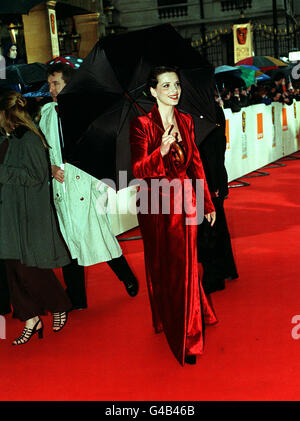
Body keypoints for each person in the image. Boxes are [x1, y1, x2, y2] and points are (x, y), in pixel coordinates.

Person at [130, 66, 217, 365]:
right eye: (166, 86)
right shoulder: (141, 125)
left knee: (186, 263)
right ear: (153, 92)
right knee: (160, 263)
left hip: (185, 201)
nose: (174, 90)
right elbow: (138, 171)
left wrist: (207, 203)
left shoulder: (187, 120)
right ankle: (164, 317)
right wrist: (161, 151)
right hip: (154, 204)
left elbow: (197, 165)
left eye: (176, 84)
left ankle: (189, 337)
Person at [40, 62, 139, 310]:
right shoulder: (46, 115)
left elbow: (103, 146)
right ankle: (76, 297)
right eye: (50, 83)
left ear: (69, 84)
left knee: (100, 236)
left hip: (86, 184)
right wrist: (50, 169)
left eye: (56, 83)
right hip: (61, 186)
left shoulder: (86, 112)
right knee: (69, 242)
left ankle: (127, 277)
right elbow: (42, 150)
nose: (51, 89)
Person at [0, 89, 72, 345]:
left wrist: (3, 172)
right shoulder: (7, 138)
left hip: (28, 214)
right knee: (11, 268)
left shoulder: (29, 139)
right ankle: (30, 317)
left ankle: (58, 304)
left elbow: (36, 176)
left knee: (28, 268)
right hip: (9, 214)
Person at [197, 97, 238, 294]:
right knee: (217, 225)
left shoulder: (201, 112)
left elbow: (212, 149)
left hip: (207, 180)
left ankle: (214, 276)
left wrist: (212, 184)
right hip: (213, 177)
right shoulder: (210, 108)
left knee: (209, 228)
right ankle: (227, 268)